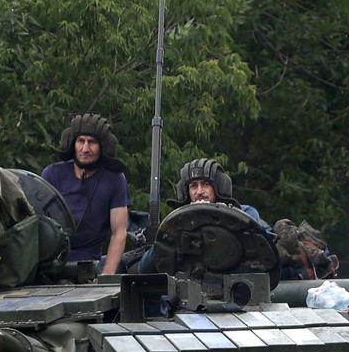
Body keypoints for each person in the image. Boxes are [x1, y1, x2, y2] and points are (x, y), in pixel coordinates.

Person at [137, 157, 271, 273]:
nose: (199, 191)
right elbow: (144, 268)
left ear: (218, 187)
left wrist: (226, 219)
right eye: (193, 186)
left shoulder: (245, 214)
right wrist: (175, 230)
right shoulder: (176, 222)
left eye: (206, 184)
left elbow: (259, 252)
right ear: (186, 191)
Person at [42, 113, 129, 275]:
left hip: (88, 265)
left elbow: (119, 232)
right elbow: (37, 222)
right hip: (49, 263)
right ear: (72, 143)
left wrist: (107, 274)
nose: (85, 149)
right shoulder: (52, 174)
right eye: (81, 141)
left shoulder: (114, 179)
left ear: (102, 146)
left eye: (92, 142)